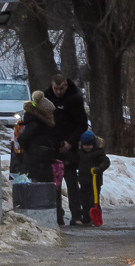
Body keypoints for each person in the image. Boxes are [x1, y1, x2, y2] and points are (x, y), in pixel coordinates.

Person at [45, 73, 89, 225]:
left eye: (61, 88)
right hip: (53, 146)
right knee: (54, 184)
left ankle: (76, 214)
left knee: (71, 182)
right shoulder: (47, 97)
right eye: (56, 88)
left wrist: (70, 142)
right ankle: (57, 215)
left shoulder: (74, 98)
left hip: (70, 147)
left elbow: (82, 124)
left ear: (66, 85)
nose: (58, 92)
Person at [17, 91, 58, 182]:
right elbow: (22, 139)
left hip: (39, 163)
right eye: (50, 113)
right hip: (36, 165)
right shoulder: (36, 124)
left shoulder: (39, 123)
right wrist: (33, 149)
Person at [74, 130, 110, 225]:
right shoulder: (80, 153)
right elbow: (75, 161)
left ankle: (95, 217)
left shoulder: (98, 153)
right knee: (84, 201)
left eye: (90, 145)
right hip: (83, 181)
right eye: (85, 145)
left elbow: (106, 162)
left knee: (93, 201)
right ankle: (86, 218)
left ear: (94, 144)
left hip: (94, 182)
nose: (87, 147)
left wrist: (99, 169)